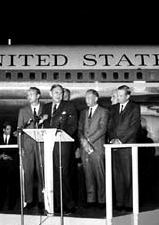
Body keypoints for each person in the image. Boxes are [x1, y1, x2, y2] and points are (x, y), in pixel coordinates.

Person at [41, 84, 78, 214]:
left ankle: (69, 204)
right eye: (56, 92)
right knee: (53, 173)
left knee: (63, 172)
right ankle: (57, 203)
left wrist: (61, 134)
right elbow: (43, 124)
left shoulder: (69, 106)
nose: (59, 95)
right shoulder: (45, 107)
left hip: (62, 143)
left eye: (61, 93)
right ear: (50, 94)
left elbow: (73, 126)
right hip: (49, 142)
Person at [108, 85, 141, 211]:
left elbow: (134, 127)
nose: (118, 97)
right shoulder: (114, 108)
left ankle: (130, 204)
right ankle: (120, 202)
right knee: (118, 177)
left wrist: (120, 140)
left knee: (129, 177)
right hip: (114, 146)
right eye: (118, 95)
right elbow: (110, 126)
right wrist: (113, 139)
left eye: (121, 95)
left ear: (128, 96)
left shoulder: (134, 107)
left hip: (127, 146)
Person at [78, 89, 109, 208]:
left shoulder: (103, 112)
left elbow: (102, 129)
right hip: (84, 149)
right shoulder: (83, 112)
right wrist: (82, 140)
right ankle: (91, 200)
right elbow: (80, 129)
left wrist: (88, 140)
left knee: (100, 175)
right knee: (88, 175)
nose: (87, 100)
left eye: (89, 98)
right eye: (86, 98)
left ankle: (103, 200)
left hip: (97, 148)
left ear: (96, 99)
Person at [16, 87, 45, 213]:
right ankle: (28, 201)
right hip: (27, 146)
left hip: (42, 145)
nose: (29, 97)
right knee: (28, 174)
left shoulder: (46, 108)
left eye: (31, 94)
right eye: (28, 95)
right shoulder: (23, 111)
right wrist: (20, 147)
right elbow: (19, 130)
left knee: (42, 174)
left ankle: (42, 201)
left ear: (38, 95)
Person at [0, 122, 18, 211]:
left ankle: (11, 206)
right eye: (7, 129)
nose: (9, 130)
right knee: (1, 188)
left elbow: (16, 152)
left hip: (11, 167)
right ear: (3, 129)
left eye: (10, 129)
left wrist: (9, 157)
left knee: (12, 188)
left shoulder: (15, 139)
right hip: (1, 167)